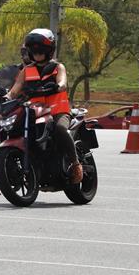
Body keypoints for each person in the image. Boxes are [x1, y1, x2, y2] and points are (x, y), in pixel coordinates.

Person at [8, 28, 83, 184]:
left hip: (58, 112)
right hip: (35, 112)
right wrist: (4, 97)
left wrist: (58, 86)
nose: (37, 53)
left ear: (49, 50)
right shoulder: (26, 71)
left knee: (60, 129)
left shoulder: (58, 67)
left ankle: (76, 164)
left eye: (41, 50)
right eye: (33, 50)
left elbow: (62, 82)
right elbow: (15, 89)